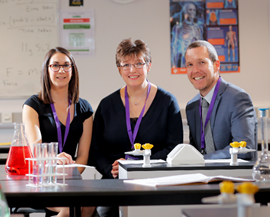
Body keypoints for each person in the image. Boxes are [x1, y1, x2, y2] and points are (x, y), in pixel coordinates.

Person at [89, 38, 183, 217]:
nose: (132, 70)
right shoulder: (107, 105)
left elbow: (174, 148)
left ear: (149, 66)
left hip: (154, 182)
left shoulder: (167, 102)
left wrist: (139, 166)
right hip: (113, 185)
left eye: (138, 63)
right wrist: (111, 169)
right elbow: (95, 151)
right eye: (126, 65)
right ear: (119, 69)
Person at [22, 47, 95, 217]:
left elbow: (83, 155)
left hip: (71, 178)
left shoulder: (85, 109)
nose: (61, 70)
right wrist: (54, 161)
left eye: (66, 65)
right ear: (46, 70)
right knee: (70, 209)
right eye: (55, 65)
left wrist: (69, 174)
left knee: (89, 205)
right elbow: (36, 149)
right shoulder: (33, 105)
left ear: (72, 70)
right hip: (43, 179)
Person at [185, 40, 257, 160]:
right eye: (190, 65)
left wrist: (203, 160)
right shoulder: (191, 106)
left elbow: (244, 150)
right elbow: (196, 150)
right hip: (201, 177)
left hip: (233, 177)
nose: (195, 70)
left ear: (216, 65)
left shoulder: (237, 98)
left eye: (201, 62)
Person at [171, 2, 204, 68]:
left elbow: (202, 47)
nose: (193, 12)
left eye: (194, 10)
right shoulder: (178, 28)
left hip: (196, 61)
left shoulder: (198, 28)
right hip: (183, 59)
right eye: (190, 10)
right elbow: (174, 47)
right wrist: (174, 64)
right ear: (185, 11)